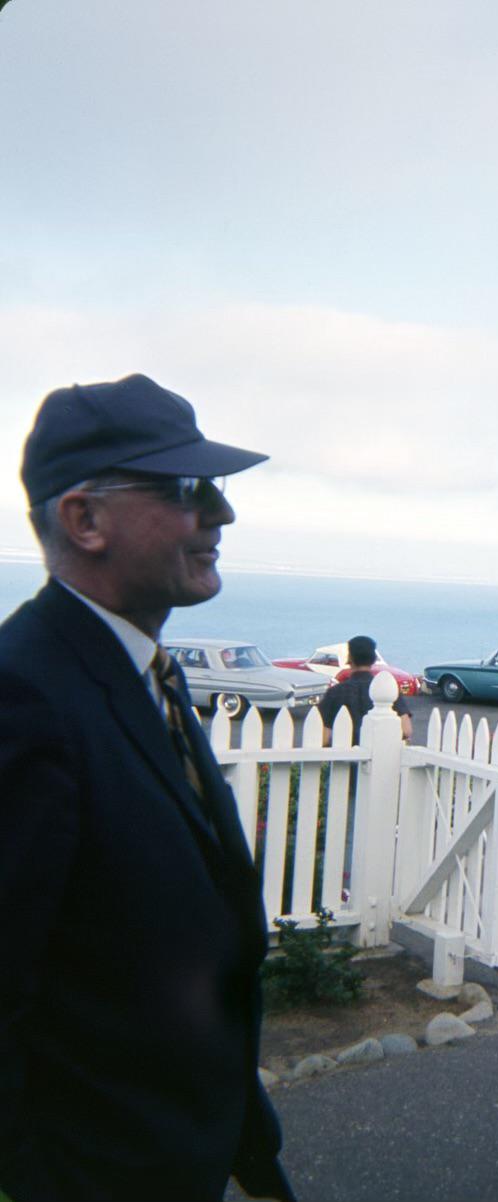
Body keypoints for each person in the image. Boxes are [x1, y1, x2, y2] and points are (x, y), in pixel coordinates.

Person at [0, 374, 293, 1201]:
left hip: (191, 1147)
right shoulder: (23, 698)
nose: (221, 515)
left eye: (216, 488)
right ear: (83, 519)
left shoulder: (141, 673)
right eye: (183, 489)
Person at [318, 634, 413, 743]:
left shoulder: (335, 692)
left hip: (346, 755)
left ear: (350, 659)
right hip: (381, 753)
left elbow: (323, 737)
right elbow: (406, 730)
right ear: (373, 659)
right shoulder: (388, 690)